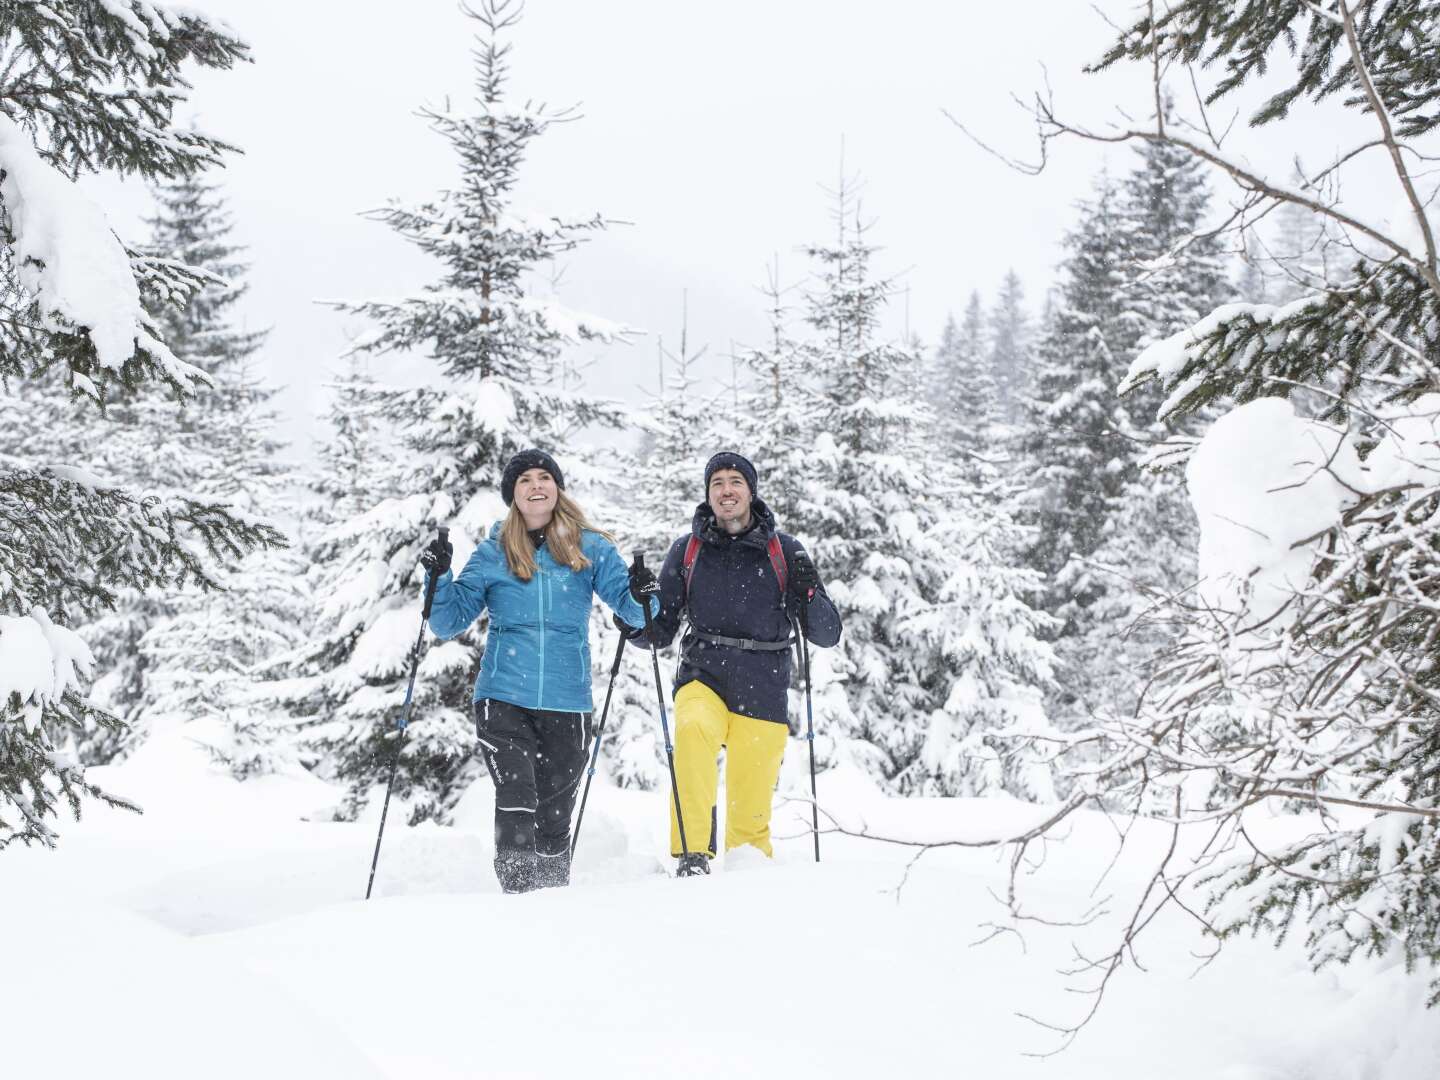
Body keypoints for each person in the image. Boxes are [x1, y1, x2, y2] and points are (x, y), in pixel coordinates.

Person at [420, 449, 652, 894]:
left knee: (554, 814)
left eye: (544, 476)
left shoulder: (590, 549)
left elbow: (637, 613)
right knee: (516, 794)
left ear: (557, 487)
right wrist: (438, 577)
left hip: (568, 700)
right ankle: (517, 894)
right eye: (524, 479)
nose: (536, 485)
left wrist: (644, 593)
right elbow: (447, 620)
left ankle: (551, 899)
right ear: (513, 494)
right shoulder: (493, 553)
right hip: (503, 696)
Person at [632, 451, 842, 876]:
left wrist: (807, 596)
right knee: (691, 732)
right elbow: (660, 630)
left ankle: (747, 878)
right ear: (708, 493)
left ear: (750, 491)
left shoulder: (785, 551)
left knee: (750, 808)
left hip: (763, 683)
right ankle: (693, 855)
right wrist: (636, 609)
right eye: (717, 483)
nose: (726, 491)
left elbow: (826, 633)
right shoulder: (688, 550)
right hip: (702, 673)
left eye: (735, 482)